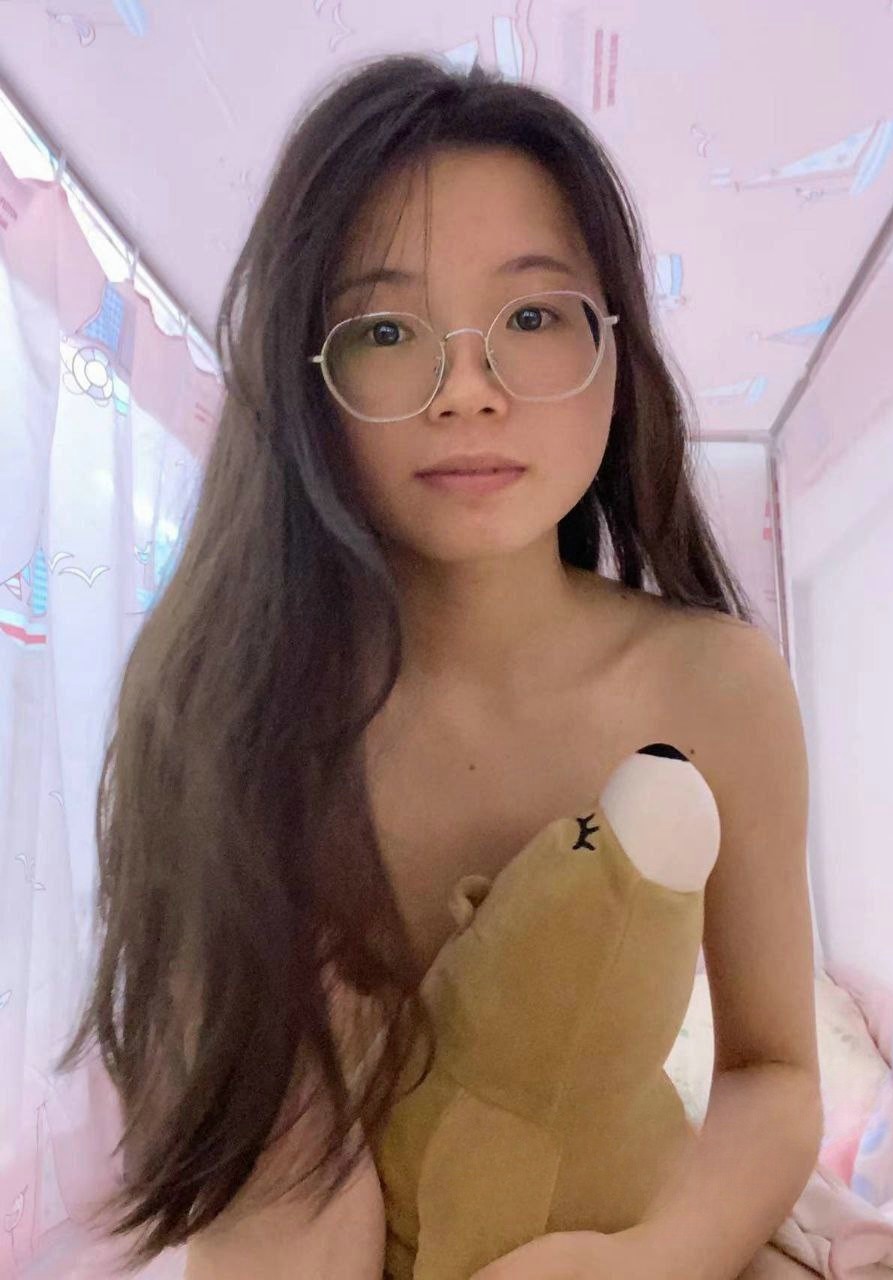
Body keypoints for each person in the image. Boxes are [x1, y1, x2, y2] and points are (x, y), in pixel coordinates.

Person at [57, 53, 824, 1280]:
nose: (467, 390)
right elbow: (268, 1177)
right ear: (303, 378)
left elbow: (774, 1070)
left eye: (532, 316)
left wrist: (653, 1258)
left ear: (616, 349)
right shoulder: (228, 715)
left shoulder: (719, 689)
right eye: (383, 329)